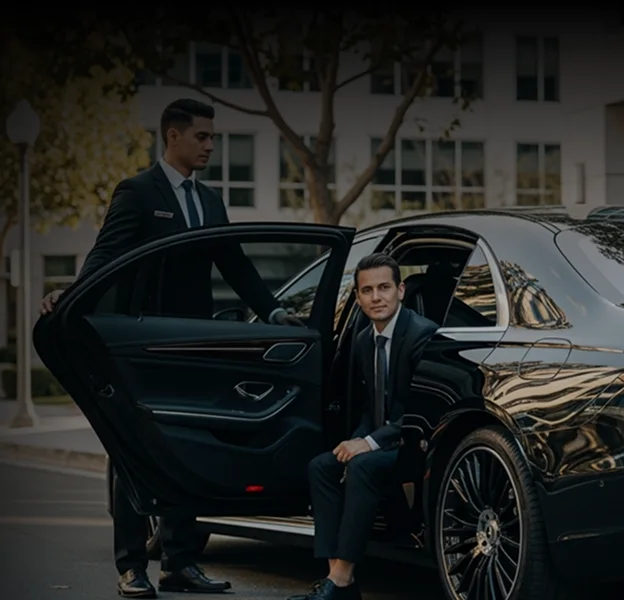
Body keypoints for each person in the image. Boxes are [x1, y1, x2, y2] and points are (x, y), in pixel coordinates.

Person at [39, 98, 302, 598]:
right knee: (135, 452)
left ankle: (180, 563)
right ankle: (132, 566)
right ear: (173, 137)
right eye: (202, 136)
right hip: (145, 346)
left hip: (195, 346)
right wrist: (71, 295)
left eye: (212, 137)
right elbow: (107, 253)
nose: (210, 145)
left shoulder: (211, 201)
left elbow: (236, 265)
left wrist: (273, 313)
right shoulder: (137, 192)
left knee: (189, 451)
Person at [290, 253, 441, 600]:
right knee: (322, 466)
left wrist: (369, 443)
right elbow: (371, 411)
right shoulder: (362, 340)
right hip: (382, 440)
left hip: (416, 441)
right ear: (357, 297)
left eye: (384, 288)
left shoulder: (422, 335)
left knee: (362, 464)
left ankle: (341, 580)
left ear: (400, 290)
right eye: (368, 290)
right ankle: (335, 578)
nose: (377, 297)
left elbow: (419, 414)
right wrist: (357, 438)